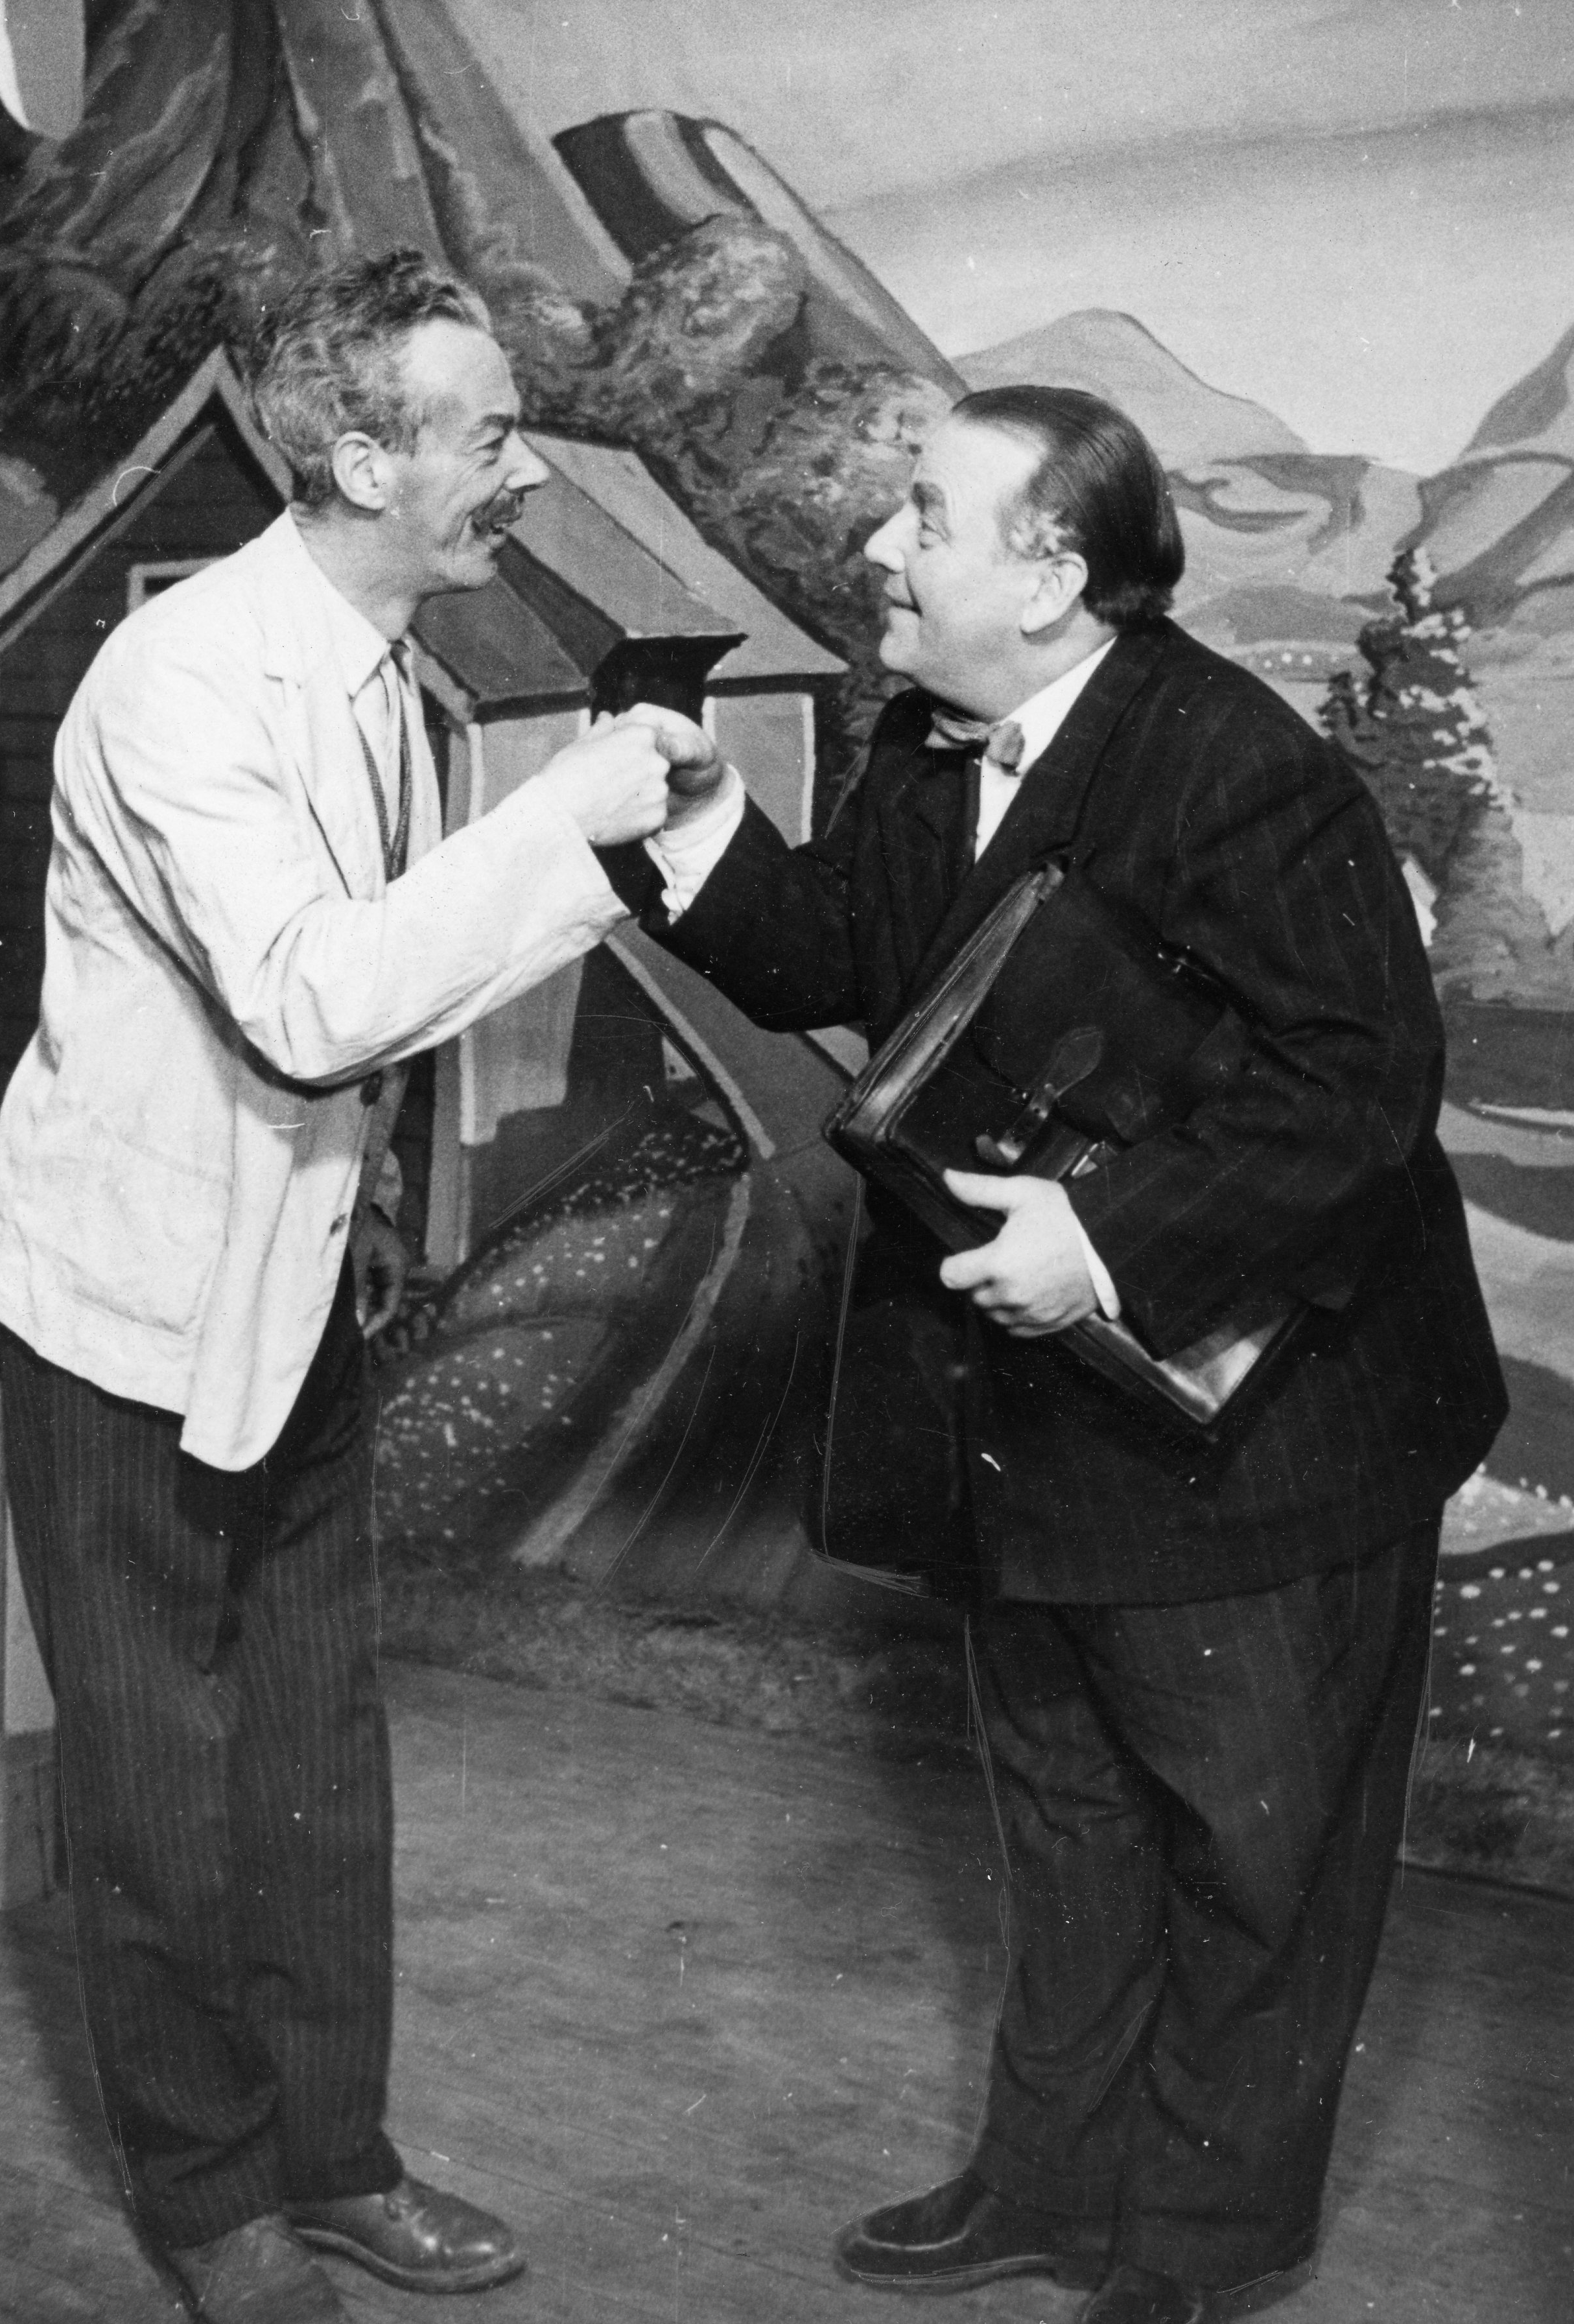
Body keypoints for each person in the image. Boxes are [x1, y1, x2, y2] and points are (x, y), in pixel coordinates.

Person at [619, 386, 1506, 2324]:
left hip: (1274, 1425)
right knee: (1069, 1812)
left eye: (921, 517)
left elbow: (1359, 1087)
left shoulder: (1238, 767)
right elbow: (849, 954)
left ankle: (1200, 2245)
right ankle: (1047, 2186)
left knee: (1254, 1850)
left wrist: (1105, 1246)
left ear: (1048, 574)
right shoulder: (931, 736)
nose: (878, 548)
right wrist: (696, 821)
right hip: (1042, 1418)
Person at [0, 249, 686, 2324]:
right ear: (364, 461)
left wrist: (579, 845)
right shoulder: (183, 677)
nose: (524, 474)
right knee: (161, 1778)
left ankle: (332, 2157)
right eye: (488, 435)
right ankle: (212, 2199)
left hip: (290, 1300)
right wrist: (567, 822)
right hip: (123, 1315)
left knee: (311, 1747)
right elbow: (307, 1006)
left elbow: (395, 981)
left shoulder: (370, 659)